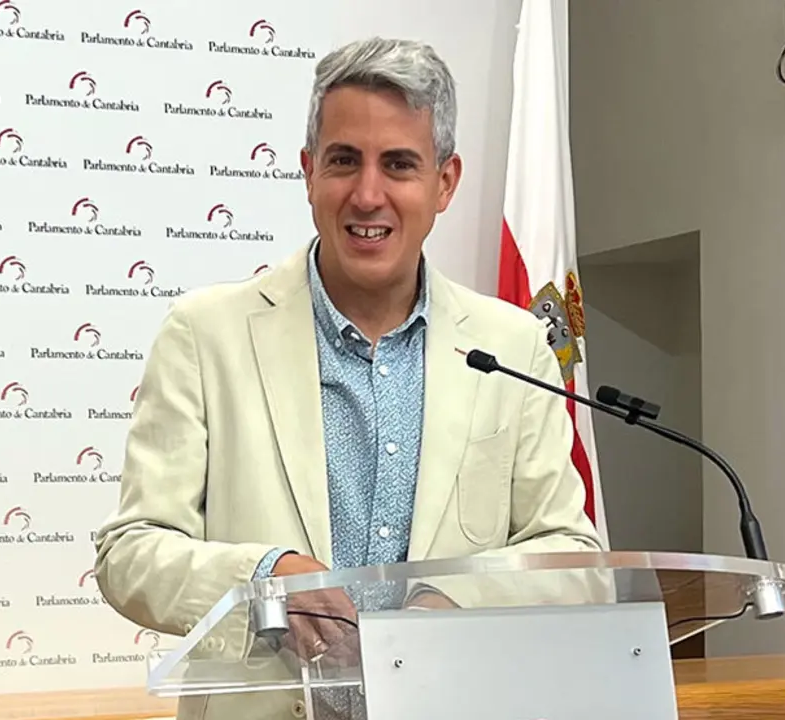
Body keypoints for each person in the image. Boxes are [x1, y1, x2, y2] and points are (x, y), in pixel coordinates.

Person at [94, 36, 602, 720]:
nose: (368, 195)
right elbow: (131, 553)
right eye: (343, 161)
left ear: (444, 182)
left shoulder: (513, 346)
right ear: (308, 172)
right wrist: (265, 577)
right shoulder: (204, 333)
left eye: (399, 164)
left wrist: (459, 597)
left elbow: (570, 553)